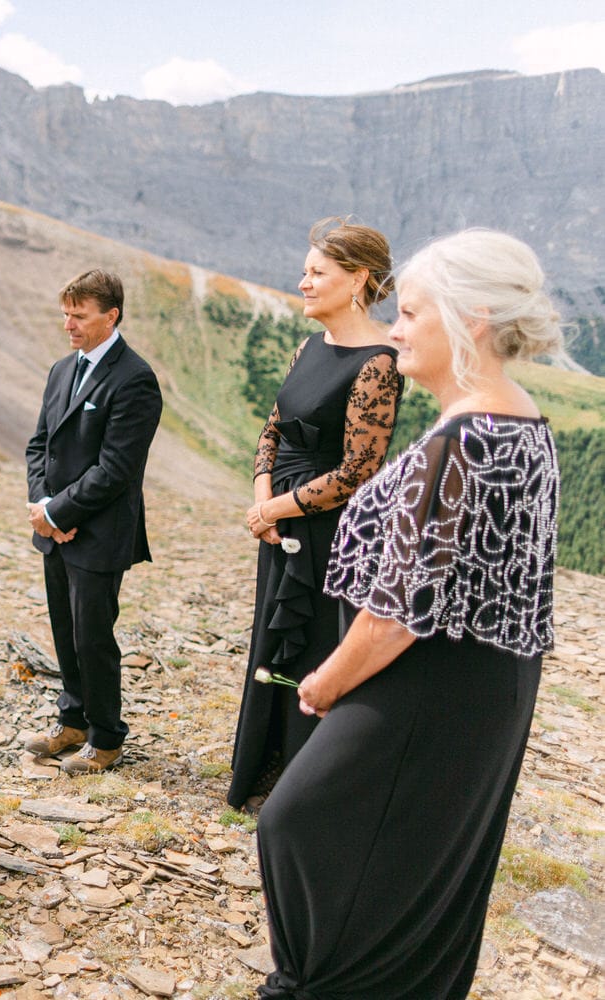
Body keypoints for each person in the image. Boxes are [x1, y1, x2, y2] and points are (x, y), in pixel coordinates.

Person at [255, 230, 562, 999]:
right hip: (490, 683)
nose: (395, 329)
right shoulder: (521, 420)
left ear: (473, 322)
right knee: (420, 865)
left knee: (296, 822)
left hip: (427, 682)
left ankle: (321, 984)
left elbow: (400, 610)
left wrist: (325, 681)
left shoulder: (462, 439)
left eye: (414, 312)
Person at [226, 219, 403, 809]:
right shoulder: (310, 347)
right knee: (272, 640)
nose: (302, 282)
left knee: (313, 647)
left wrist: (276, 505)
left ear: (358, 280)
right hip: (279, 519)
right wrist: (261, 499)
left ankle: (307, 792)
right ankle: (264, 772)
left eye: (316, 273)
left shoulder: (379, 362)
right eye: (305, 271)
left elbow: (360, 471)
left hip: (330, 532)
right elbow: (273, 429)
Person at [22, 268, 162, 775]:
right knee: (64, 628)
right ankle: (73, 721)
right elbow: (40, 444)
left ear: (112, 316)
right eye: (65, 314)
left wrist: (60, 512)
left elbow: (117, 469)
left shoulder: (135, 378)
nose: (69, 325)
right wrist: (45, 510)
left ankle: (106, 737)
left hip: (101, 532)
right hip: (57, 529)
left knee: (94, 637)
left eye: (79, 316)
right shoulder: (62, 369)